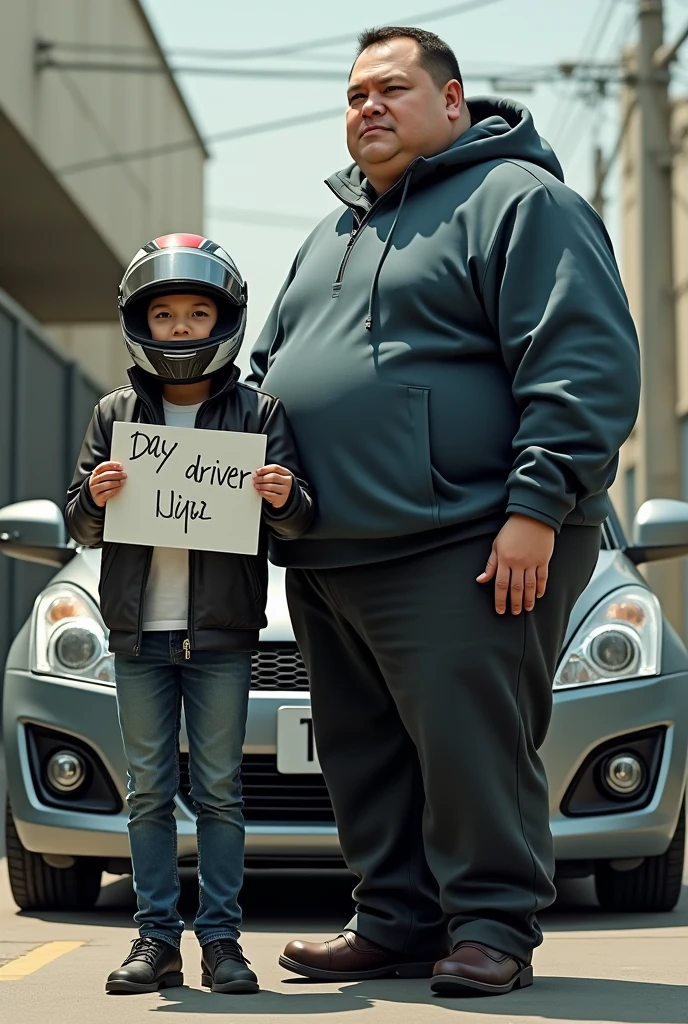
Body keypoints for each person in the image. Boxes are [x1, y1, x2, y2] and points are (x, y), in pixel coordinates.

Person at [247, 28, 641, 997]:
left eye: (392, 89)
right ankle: (394, 918)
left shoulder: (520, 201)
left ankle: (492, 925)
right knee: (363, 752)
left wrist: (536, 507)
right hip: (328, 546)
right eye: (352, 96)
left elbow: (582, 361)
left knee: (472, 743)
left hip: (466, 536)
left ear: (455, 101)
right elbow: (266, 376)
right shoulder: (328, 233)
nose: (367, 108)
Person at [65, 233, 313, 996]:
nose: (179, 328)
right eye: (165, 313)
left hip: (223, 635)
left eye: (196, 313)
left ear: (223, 320)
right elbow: (79, 524)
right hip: (139, 634)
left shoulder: (258, 412)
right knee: (146, 789)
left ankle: (224, 943)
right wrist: (97, 497)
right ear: (142, 321)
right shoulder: (114, 413)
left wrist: (283, 497)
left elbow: (300, 524)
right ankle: (154, 940)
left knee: (218, 790)